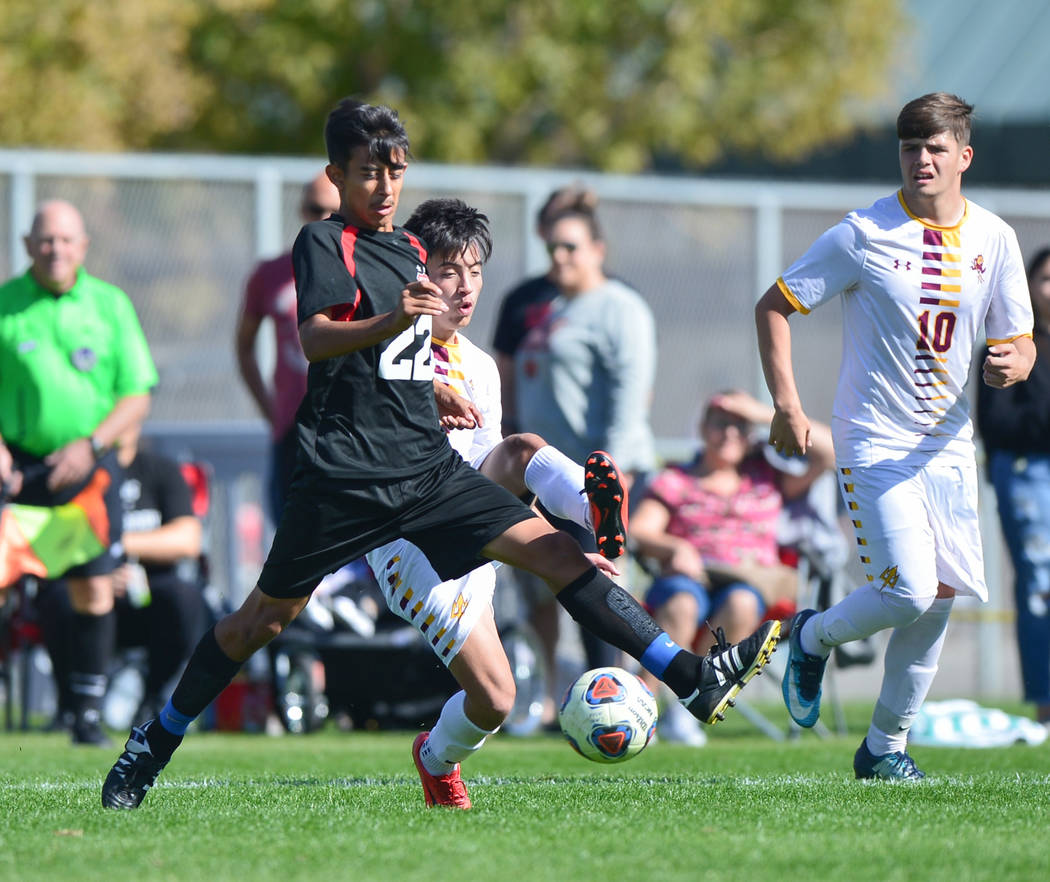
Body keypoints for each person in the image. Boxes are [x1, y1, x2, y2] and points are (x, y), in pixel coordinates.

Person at [102, 98, 780, 811]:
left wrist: (429, 393)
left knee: (556, 552)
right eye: (368, 172)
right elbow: (318, 342)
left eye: (395, 171)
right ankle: (156, 739)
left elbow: (400, 359)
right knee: (258, 623)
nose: (385, 187)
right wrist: (397, 322)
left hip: (426, 470)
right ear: (337, 175)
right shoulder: (324, 244)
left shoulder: (411, 252)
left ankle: (689, 678)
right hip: (343, 478)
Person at [757, 93, 1035, 780]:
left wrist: (1011, 364)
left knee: (935, 605)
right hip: (872, 441)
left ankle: (884, 750)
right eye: (911, 147)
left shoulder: (994, 239)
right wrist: (788, 406)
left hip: (946, 447)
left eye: (936, 147)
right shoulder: (863, 233)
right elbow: (775, 306)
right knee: (908, 591)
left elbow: (1021, 340)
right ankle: (811, 635)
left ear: (964, 157)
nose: (921, 159)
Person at [363, 196, 625, 807]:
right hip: (411, 546)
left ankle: (592, 513)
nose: (465, 286)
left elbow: (496, 487)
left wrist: (562, 553)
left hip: (473, 527)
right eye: (450, 271)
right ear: (419, 274)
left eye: (475, 271)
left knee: (496, 701)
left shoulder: (481, 367)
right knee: (496, 695)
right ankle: (590, 506)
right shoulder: (389, 344)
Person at [0, 200, 158, 746]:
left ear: (83, 247)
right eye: (45, 240)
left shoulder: (110, 305)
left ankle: (85, 714)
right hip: (16, 471)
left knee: (93, 590)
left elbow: (136, 394)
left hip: (88, 468)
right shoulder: (6, 306)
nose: (55, 250)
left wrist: (90, 446)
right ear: (27, 246)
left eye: (66, 240)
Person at [512, 196, 657, 706]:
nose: (559, 258)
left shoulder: (619, 307)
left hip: (597, 479)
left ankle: (611, 693)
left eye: (571, 248)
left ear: (598, 249)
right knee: (547, 582)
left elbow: (629, 398)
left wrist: (611, 484)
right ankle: (558, 694)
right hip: (549, 477)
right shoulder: (546, 307)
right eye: (552, 248)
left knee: (595, 582)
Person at [632, 390, 835, 746]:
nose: (729, 434)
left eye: (739, 426)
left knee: (741, 602)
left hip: (750, 584)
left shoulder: (767, 477)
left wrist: (760, 411)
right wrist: (676, 546)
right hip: (689, 578)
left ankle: (689, 702)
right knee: (683, 603)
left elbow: (831, 453)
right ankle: (640, 708)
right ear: (702, 429)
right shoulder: (676, 479)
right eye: (720, 424)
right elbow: (640, 529)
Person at [37, 426, 207, 728]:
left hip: (146, 597)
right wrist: (100, 571)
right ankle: (73, 707)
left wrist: (113, 543)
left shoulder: (162, 470)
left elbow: (187, 540)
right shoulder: (76, 472)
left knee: (185, 597)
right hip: (85, 590)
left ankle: (155, 700)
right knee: (57, 597)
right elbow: (53, 537)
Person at [235, 171, 341, 523]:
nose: (323, 219)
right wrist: (270, 408)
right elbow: (244, 345)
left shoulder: (362, 270)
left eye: (333, 211)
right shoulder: (272, 274)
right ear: (302, 210)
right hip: (293, 428)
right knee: (291, 537)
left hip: (348, 425)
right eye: (315, 209)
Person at [976, 246, 1050, 728]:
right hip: (1029, 474)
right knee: (1041, 587)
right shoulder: (1007, 347)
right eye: (1046, 279)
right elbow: (999, 425)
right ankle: (1046, 704)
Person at [491, 185, 598, 437]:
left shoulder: (617, 304)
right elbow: (506, 377)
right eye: (556, 220)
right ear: (541, 230)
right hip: (537, 449)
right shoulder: (521, 300)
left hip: (594, 449)